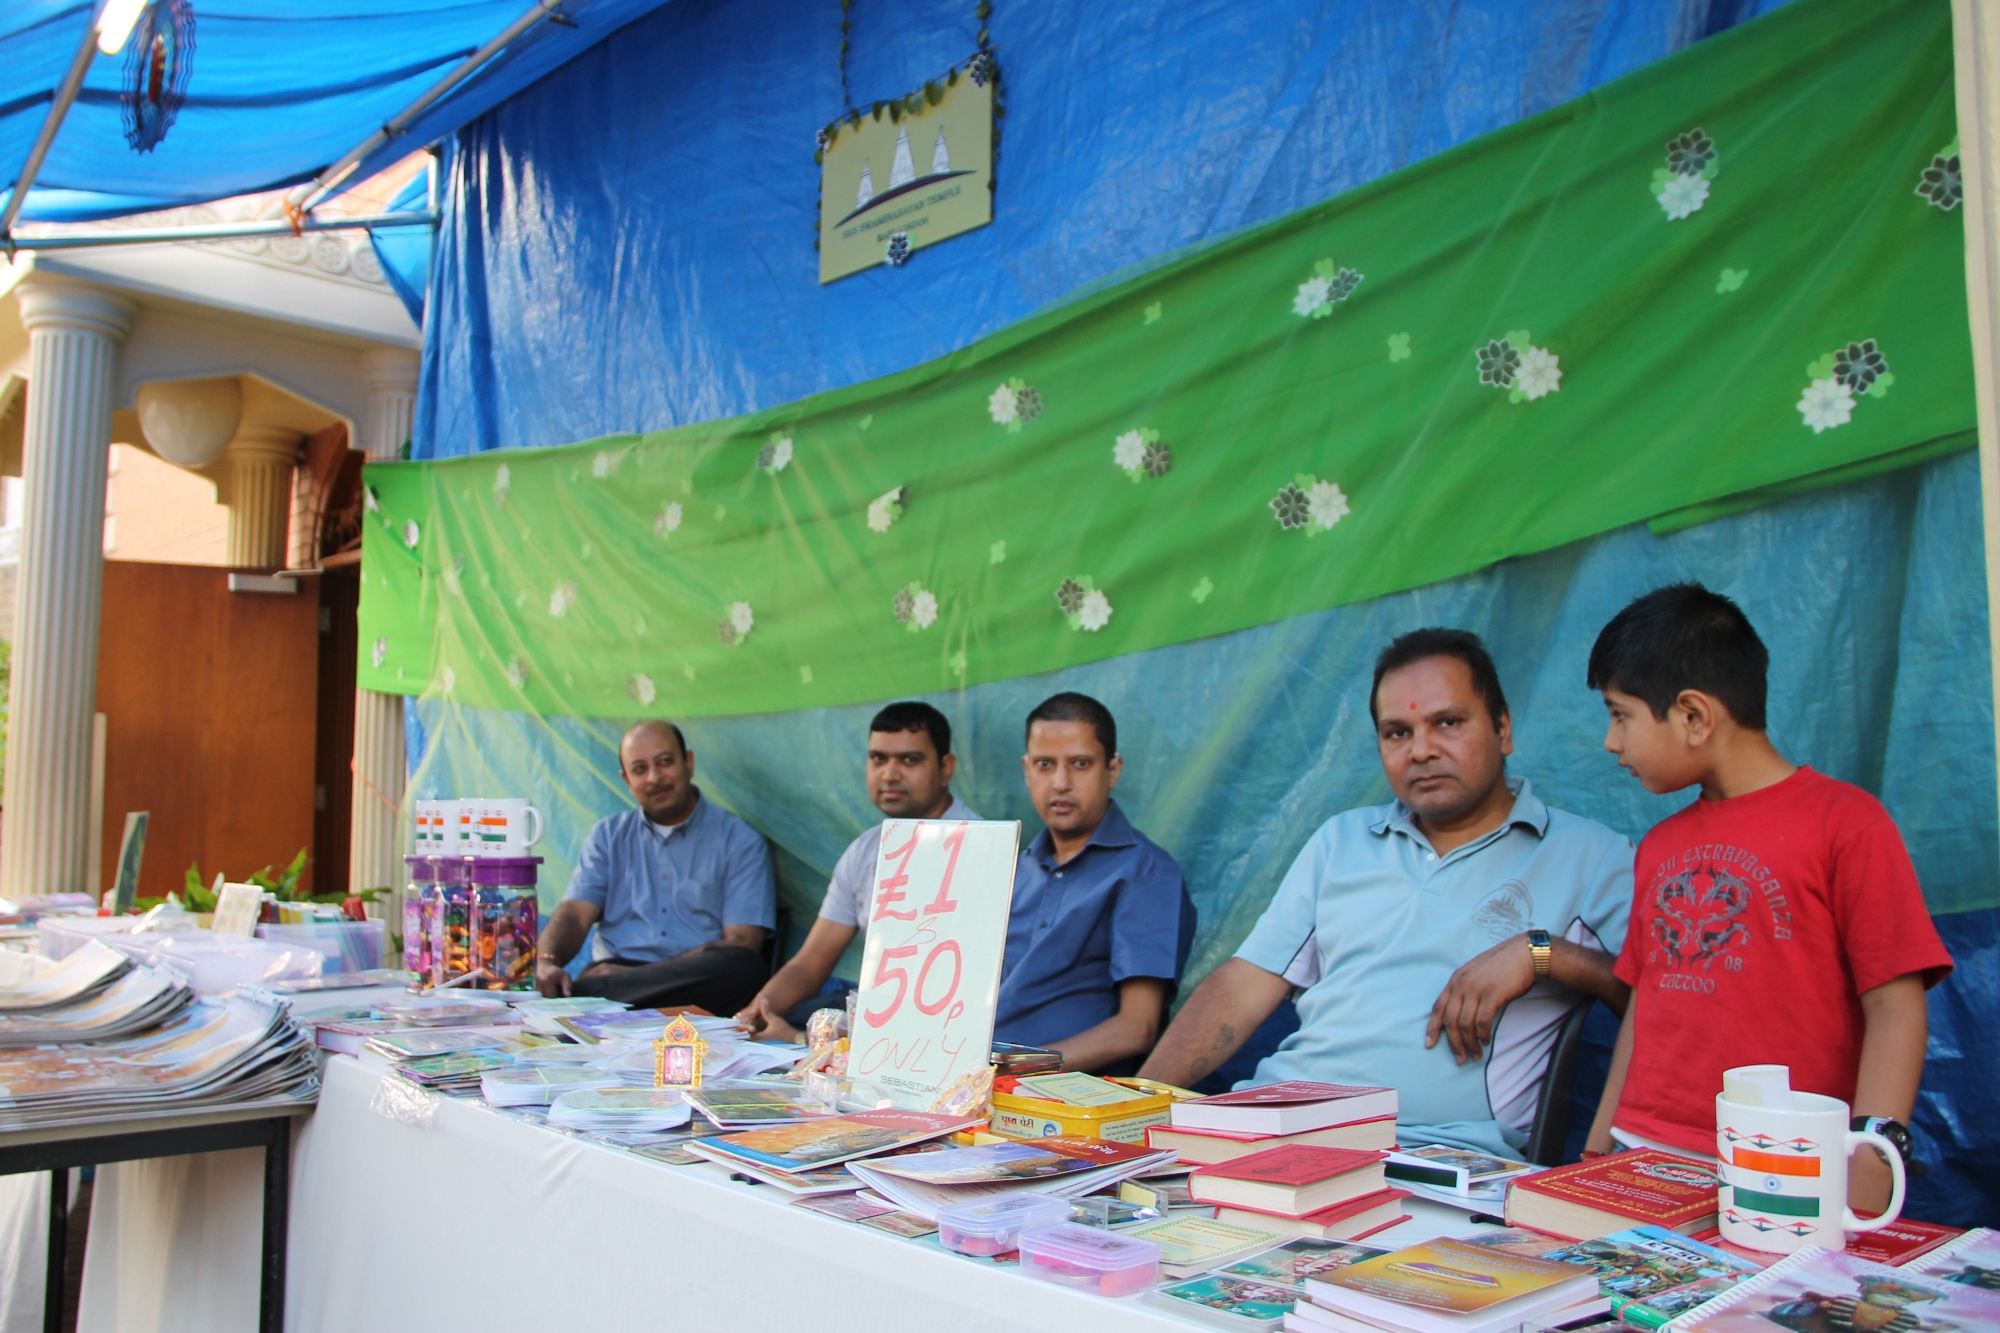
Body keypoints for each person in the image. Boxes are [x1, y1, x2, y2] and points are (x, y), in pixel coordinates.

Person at [1141, 629, 1633, 1158]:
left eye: (1448, 723)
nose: (1421, 751)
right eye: (1397, 733)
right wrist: (1134, 1104)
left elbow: (1663, 1000)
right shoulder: (1341, 840)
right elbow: (1244, 984)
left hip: (1434, 1159)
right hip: (1270, 1126)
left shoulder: (1591, 856)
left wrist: (1544, 953)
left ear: (1503, 728)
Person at [1579, 584, 1950, 1210]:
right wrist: (1597, 1151)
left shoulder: (1847, 824)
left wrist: (1871, 1164)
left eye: (1620, 715)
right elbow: (1646, 1001)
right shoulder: (1660, 846)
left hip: (1784, 1161)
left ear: (1693, 716)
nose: (1611, 742)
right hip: (1643, 1154)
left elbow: (1895, 1003)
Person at [735, 701, 978, 1041]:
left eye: (910, 760)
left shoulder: (979, 850)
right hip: (872, 1017)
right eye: (878, 758)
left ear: (946, 767)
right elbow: (809, 964)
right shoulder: (865, 851)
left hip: (942, 1033)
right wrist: (754, 1014)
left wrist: (800, 1040)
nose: (890, 774)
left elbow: (964, 992)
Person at [999, 692, 1197, 1074]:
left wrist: (1010, 1069)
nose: (1060, 783)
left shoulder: (1147, 874)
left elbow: (1137, 1029)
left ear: (1113, 769)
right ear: (1026, 770)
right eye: (1044, 764)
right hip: (974, 1081)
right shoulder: (1014, 870)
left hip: (1068, 1094)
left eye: (1080, 764)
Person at [534, 720, 775, 1014]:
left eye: (665, 762)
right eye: (640, 769)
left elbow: (742, 941)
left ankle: (591, 999)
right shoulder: (607, 837)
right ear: (626, 780)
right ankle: (603, 999)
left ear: (688, 763)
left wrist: (635, 977)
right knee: (571, 978)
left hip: (693, 976)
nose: (654, 778)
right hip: (618, 970)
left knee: (744, 965)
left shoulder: (740, 840)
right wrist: (546, 963)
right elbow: (574, 913)